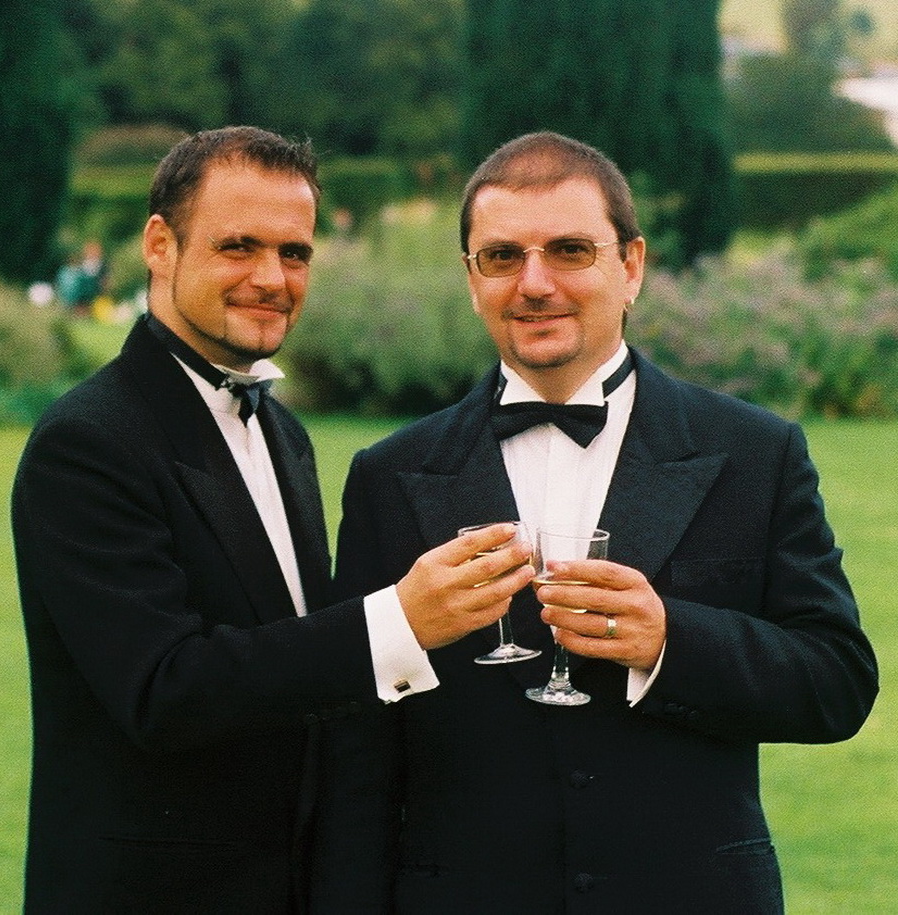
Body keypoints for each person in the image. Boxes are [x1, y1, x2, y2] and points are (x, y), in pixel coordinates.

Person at [310, 132, 878, 913]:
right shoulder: (389, 474)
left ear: (631, 266)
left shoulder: (755, 452)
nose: (534, 283)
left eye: (570, 250)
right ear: (472, 280)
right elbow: (356, 744)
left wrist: (669, 640)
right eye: (502, 256)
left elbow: (838, 682)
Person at [11, 126, 532, 914]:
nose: (271, 277)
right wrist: (397, 621)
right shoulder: (87, 443)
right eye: (238, 247)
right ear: (160, 244)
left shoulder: (282, 432)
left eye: (294, 252)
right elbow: (165, 688)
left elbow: (291, 670)